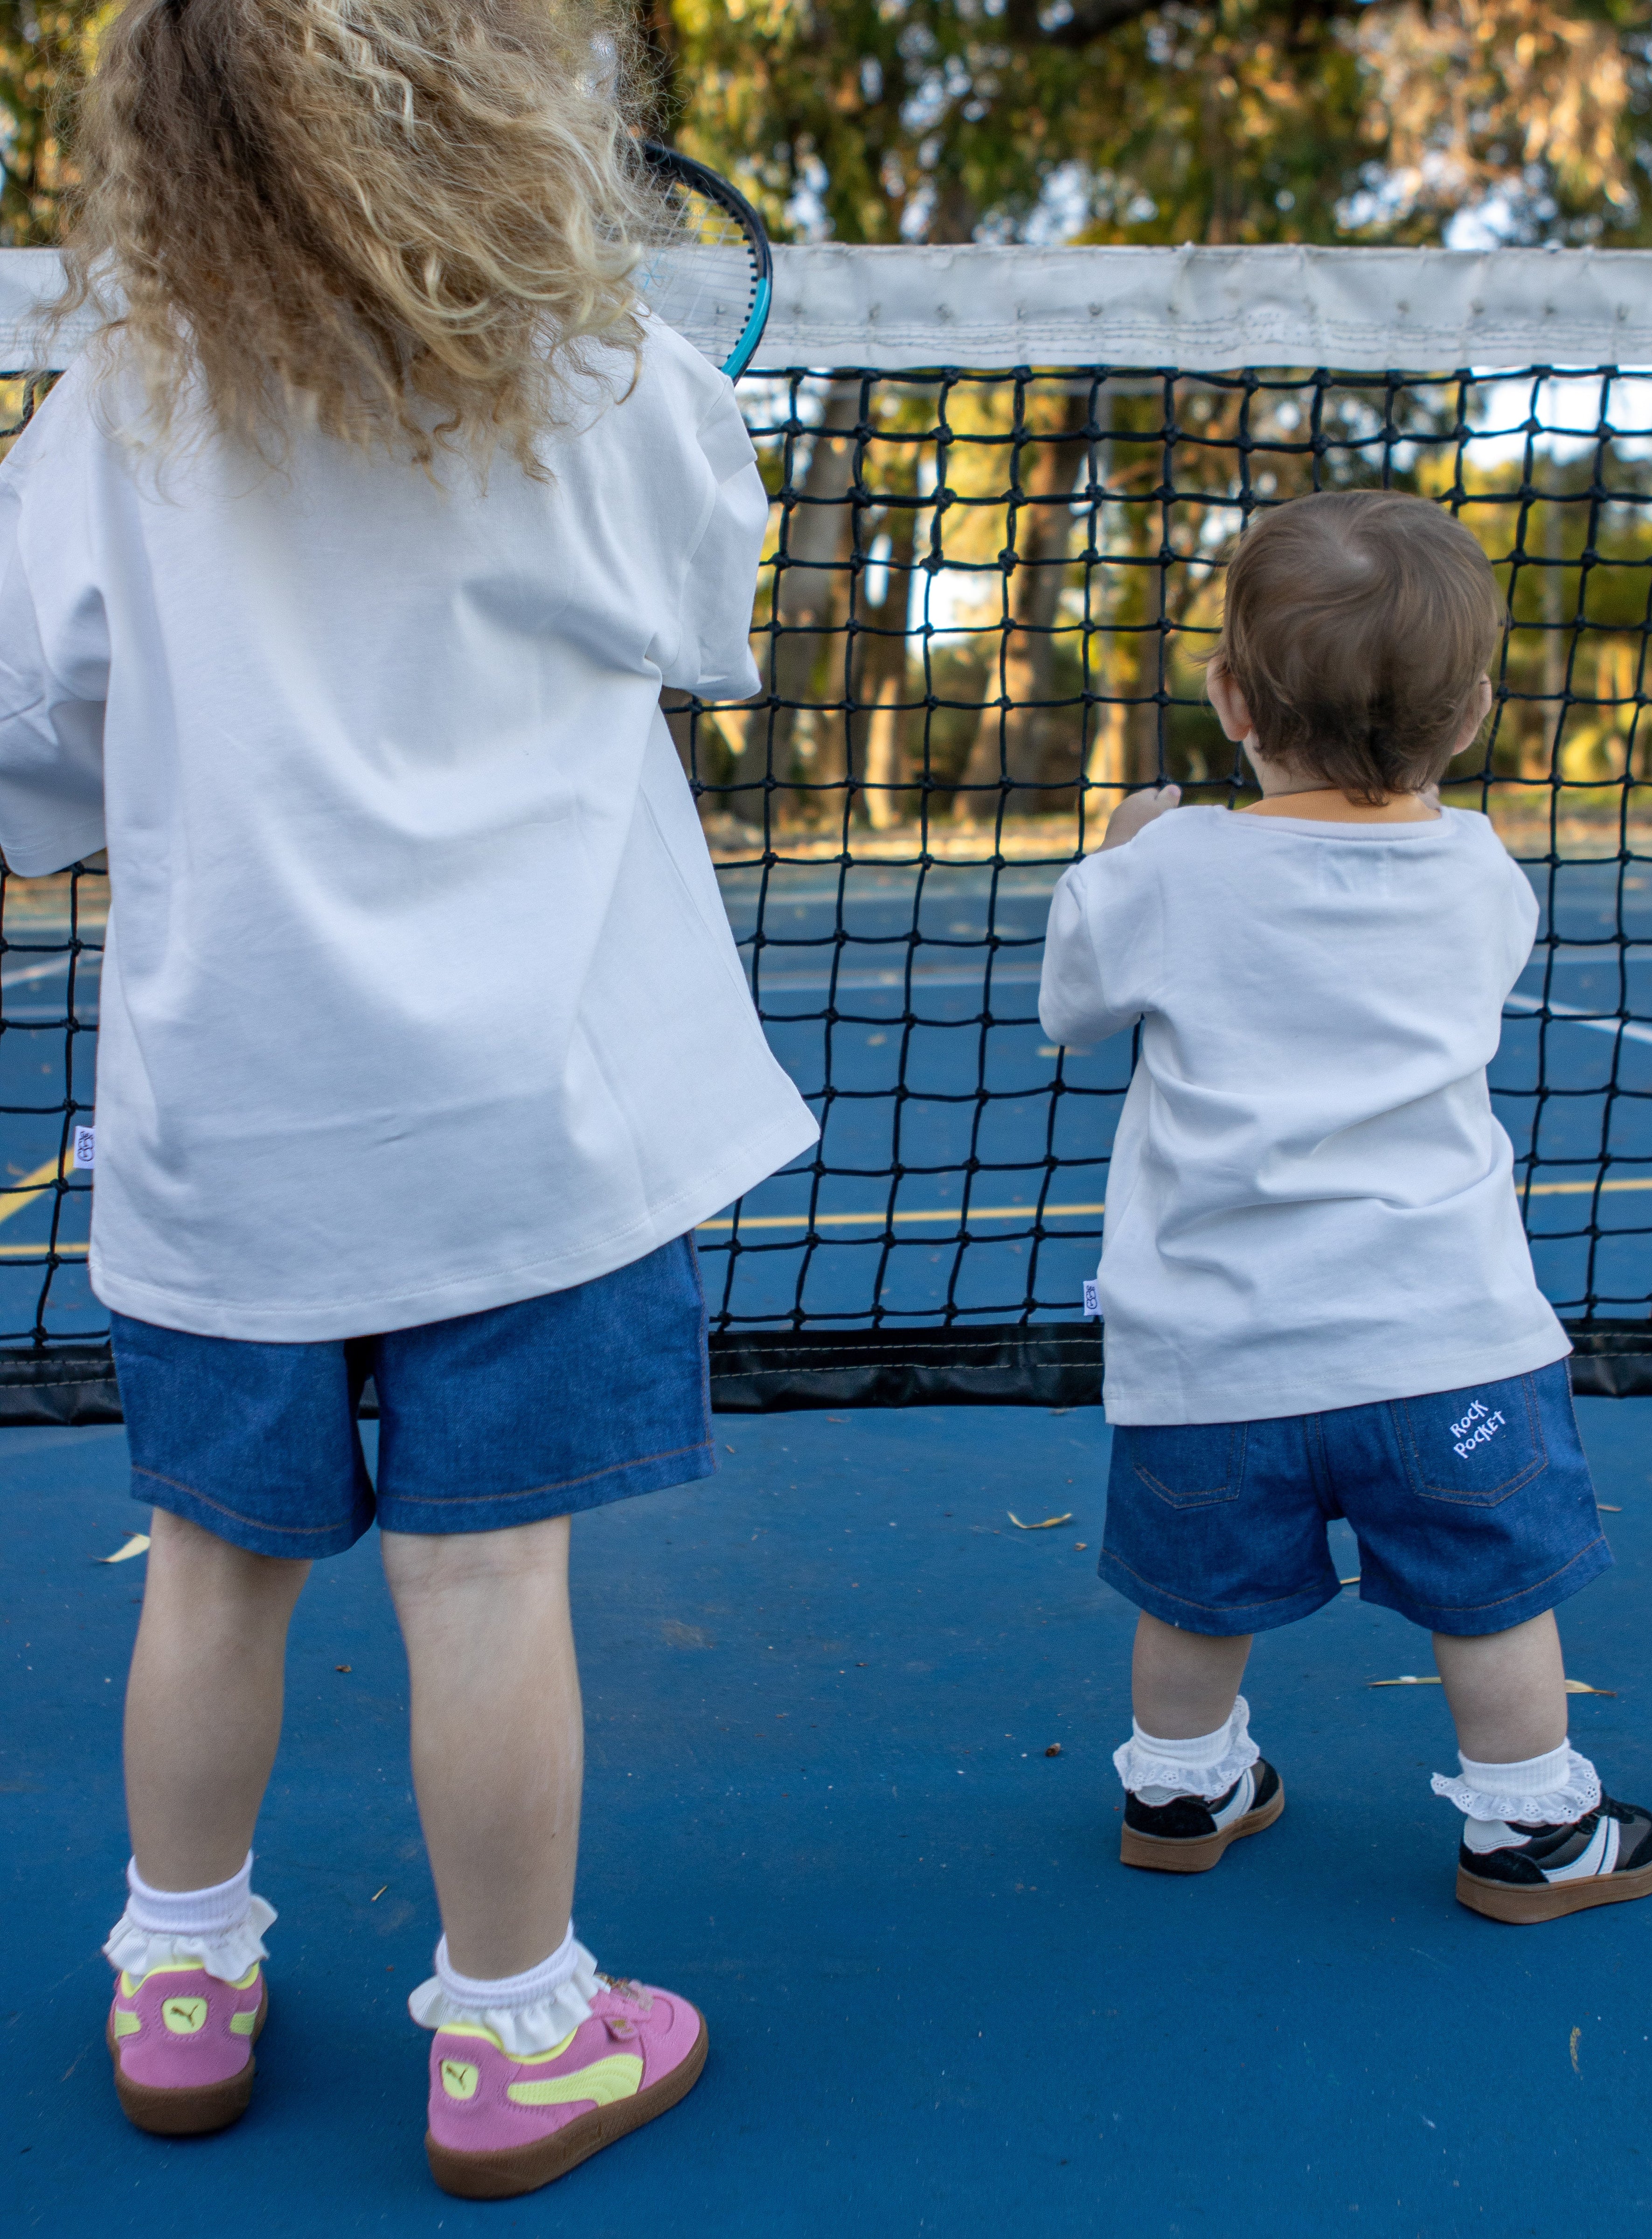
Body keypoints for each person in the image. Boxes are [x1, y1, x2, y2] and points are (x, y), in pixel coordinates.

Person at [0, 0, 816, 2198]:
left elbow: (27, 763)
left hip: (226, 1140)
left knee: (208, 1574)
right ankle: (521, 2033)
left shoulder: (110, 413)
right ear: (501, 99)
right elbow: (711, 626)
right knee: (487, 1586)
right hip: (530, 1140)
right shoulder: (605, 384)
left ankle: (178, 1981)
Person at [1039, 488, 1652, 1924]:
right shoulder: (1481, 873)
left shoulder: (1170, 872)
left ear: (1230, 700)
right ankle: (1534, 1833)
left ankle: (1180, 1790)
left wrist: (1118, 862)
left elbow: (1074, 1007)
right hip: (1445, 1347)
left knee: (1194, 1596)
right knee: (1491, 1595)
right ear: (1471, 716)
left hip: (1211, 1355)